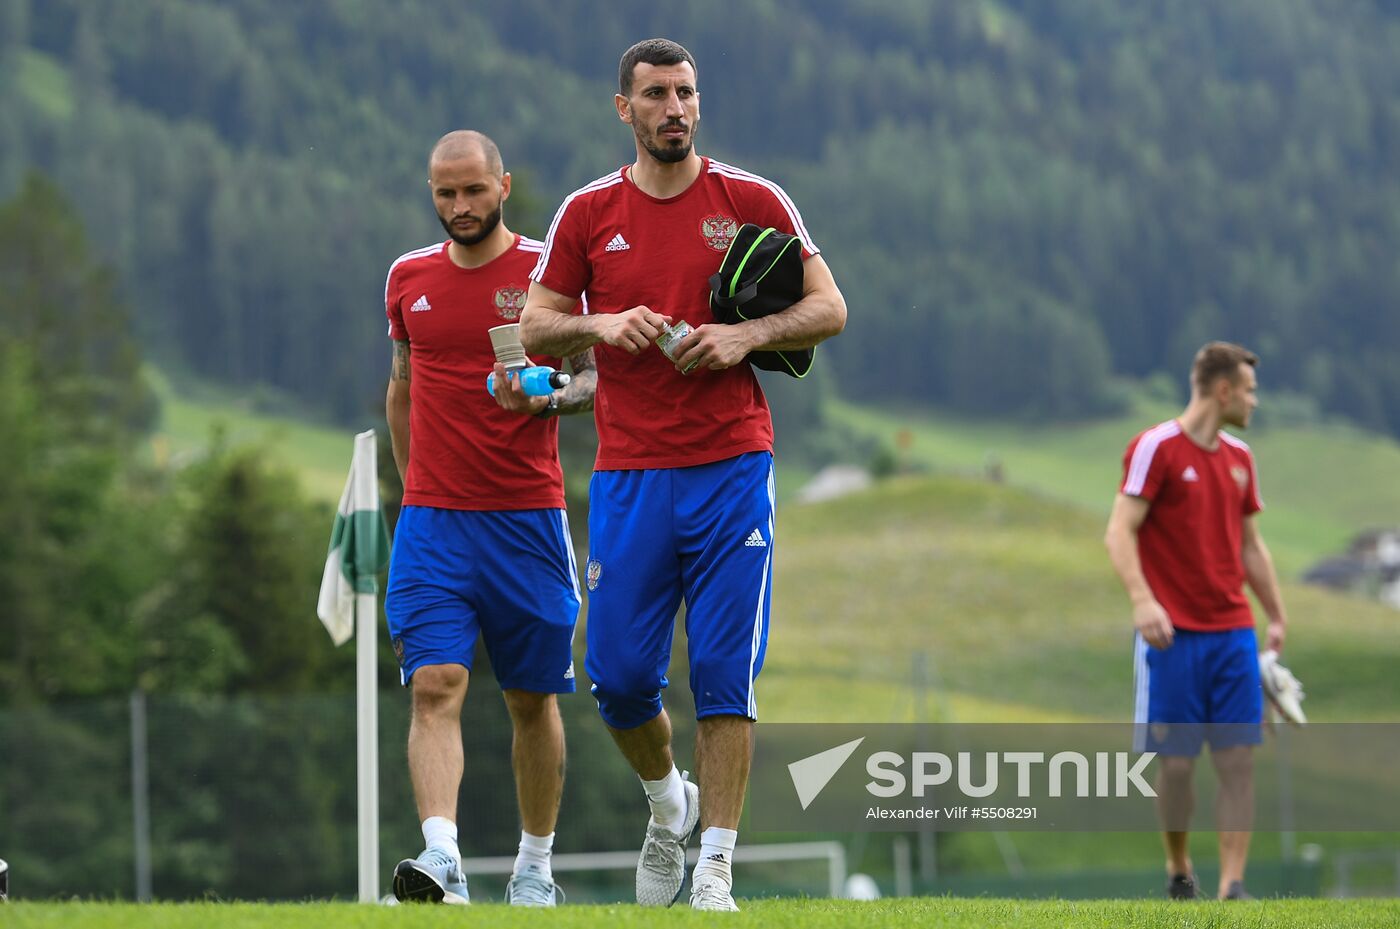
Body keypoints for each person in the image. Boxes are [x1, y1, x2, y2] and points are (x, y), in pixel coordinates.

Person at [519, 38, 846, 912]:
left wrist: (744, 335)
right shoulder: (588, 214)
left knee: (724, 672)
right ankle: (670, 804)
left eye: (687, 92)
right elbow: (535, 326)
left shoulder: (749, 197)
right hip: (629, 472)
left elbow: (829, 307)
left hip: (733, 463)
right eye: (657, 94)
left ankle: (716, 869)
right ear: (622, 108)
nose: (676, 107)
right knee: (617, 676)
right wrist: (603, 324)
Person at [383, 130, 597, 907]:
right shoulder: (407, 278)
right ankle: (443, 858)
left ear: (503, 186)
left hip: (527, 522)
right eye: (446, 192)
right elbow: (402, 387)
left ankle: (535, 867)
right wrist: (415, 493)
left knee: (529, 698)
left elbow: (592, 384)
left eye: (474, 190)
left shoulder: (550, 276)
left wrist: (547, 395)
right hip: (433, 524)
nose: (460, 206)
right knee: (434, 683)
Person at [1104, 341, 1289, 901]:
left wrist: (1276, 616)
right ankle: (1180, 871)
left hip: (1233, 631)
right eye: (1250, 391)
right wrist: (1142, 601)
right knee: (1178, 768)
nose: (1256, 402)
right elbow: (1119, 531)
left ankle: (1233, 886)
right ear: (1224, 389)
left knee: (1237, 762)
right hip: (1171, 637)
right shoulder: (1154, 448)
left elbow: (1252, 549)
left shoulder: (1241, 459)